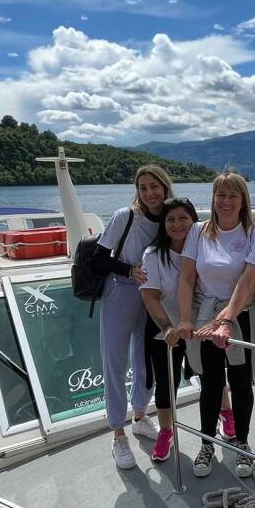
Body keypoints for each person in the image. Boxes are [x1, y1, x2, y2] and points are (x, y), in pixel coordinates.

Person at [177, 171, 255, 478]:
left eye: (233, 195)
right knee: (211, 383)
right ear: (213, 199)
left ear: (243, 201)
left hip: (242, 316)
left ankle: (242, 443)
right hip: (205, 314)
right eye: (220, 195)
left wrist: (226, 319)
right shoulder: (199, 232)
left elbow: (249, 281)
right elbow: (187, 277)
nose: (226, 201)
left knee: (242, 384)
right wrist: (187, 318)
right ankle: (207, 444)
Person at [96, 165, 170, 470]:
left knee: (146, 359)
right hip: (122, 292)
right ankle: (117, 432)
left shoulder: (169, 218)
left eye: (155, 186)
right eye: (143, 187)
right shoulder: (125, 216)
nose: (150, 193)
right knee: (115, 361)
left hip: (153, 294)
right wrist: (128, 270)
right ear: (137, 191)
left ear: (165, 187)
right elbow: (99, 257)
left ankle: (140, 415)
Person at [139, 197, 199, 462]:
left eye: (183, 218)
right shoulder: (153, 255)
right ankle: (166, 431)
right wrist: (168, 329)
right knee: (166, 386)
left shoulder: (205, 248)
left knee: (211, 376)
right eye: (170, 219)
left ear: (193, 221)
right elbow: (150, 296)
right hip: (166, 331)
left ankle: (226, 416)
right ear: (163, 225)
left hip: (200, 327)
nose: (177, 224)